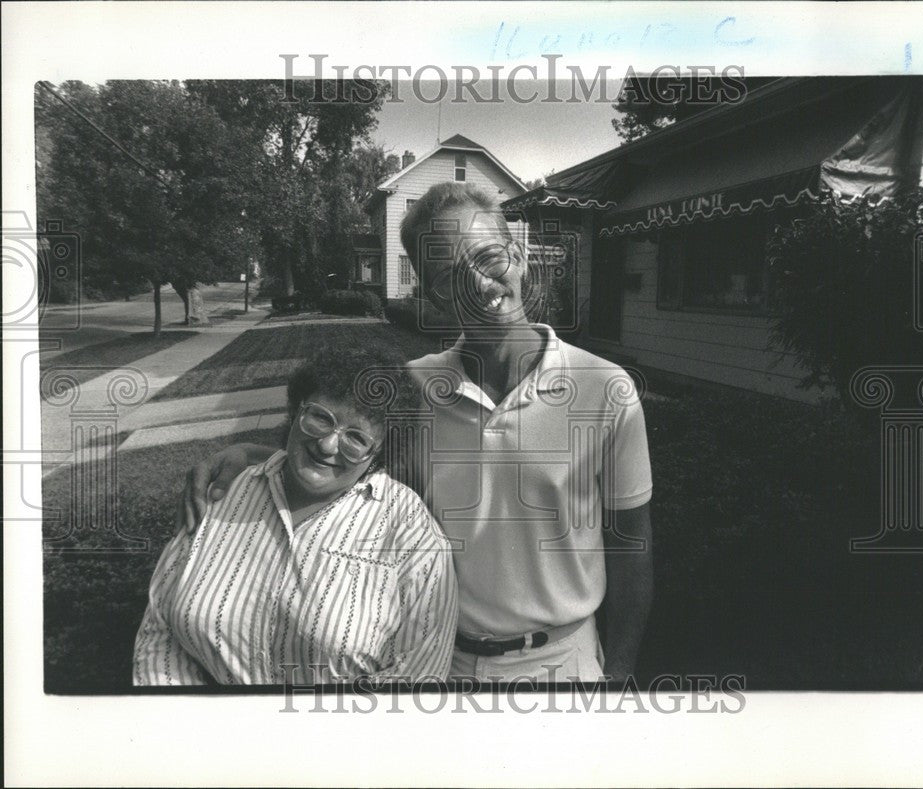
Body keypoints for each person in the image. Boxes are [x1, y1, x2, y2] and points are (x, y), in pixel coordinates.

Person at [178, 182, 654, 683]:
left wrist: (619, 679)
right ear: (433, 298)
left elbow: (632, 549)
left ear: (517, 256)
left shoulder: (605, 390)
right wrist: (250, 454)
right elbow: (345, 460)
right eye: (450, 277)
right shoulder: (414, 388)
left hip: (562, 667)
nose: (479, 285)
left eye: (488, 256)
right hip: (434, 660)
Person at [135, 348, 458, 685]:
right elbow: (161, 630)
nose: (329, 445)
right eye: (320, 418)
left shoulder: (412, 538)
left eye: (356, 438)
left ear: (377, 456)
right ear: (296, 410)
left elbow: (417, 676)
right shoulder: (222, 492)